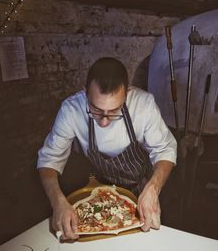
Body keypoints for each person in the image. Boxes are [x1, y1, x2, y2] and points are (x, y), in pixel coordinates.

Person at [37, 57, 177, 240]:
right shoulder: (71, 110)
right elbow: (49, 160)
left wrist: (153, 188)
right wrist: (57, 202)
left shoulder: (144, 105)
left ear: (127, 94)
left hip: (142, 188)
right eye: (95, 109)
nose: (103, 121)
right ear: (85, 92)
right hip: (101, 189)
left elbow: (165, 150)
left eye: (114, 111)